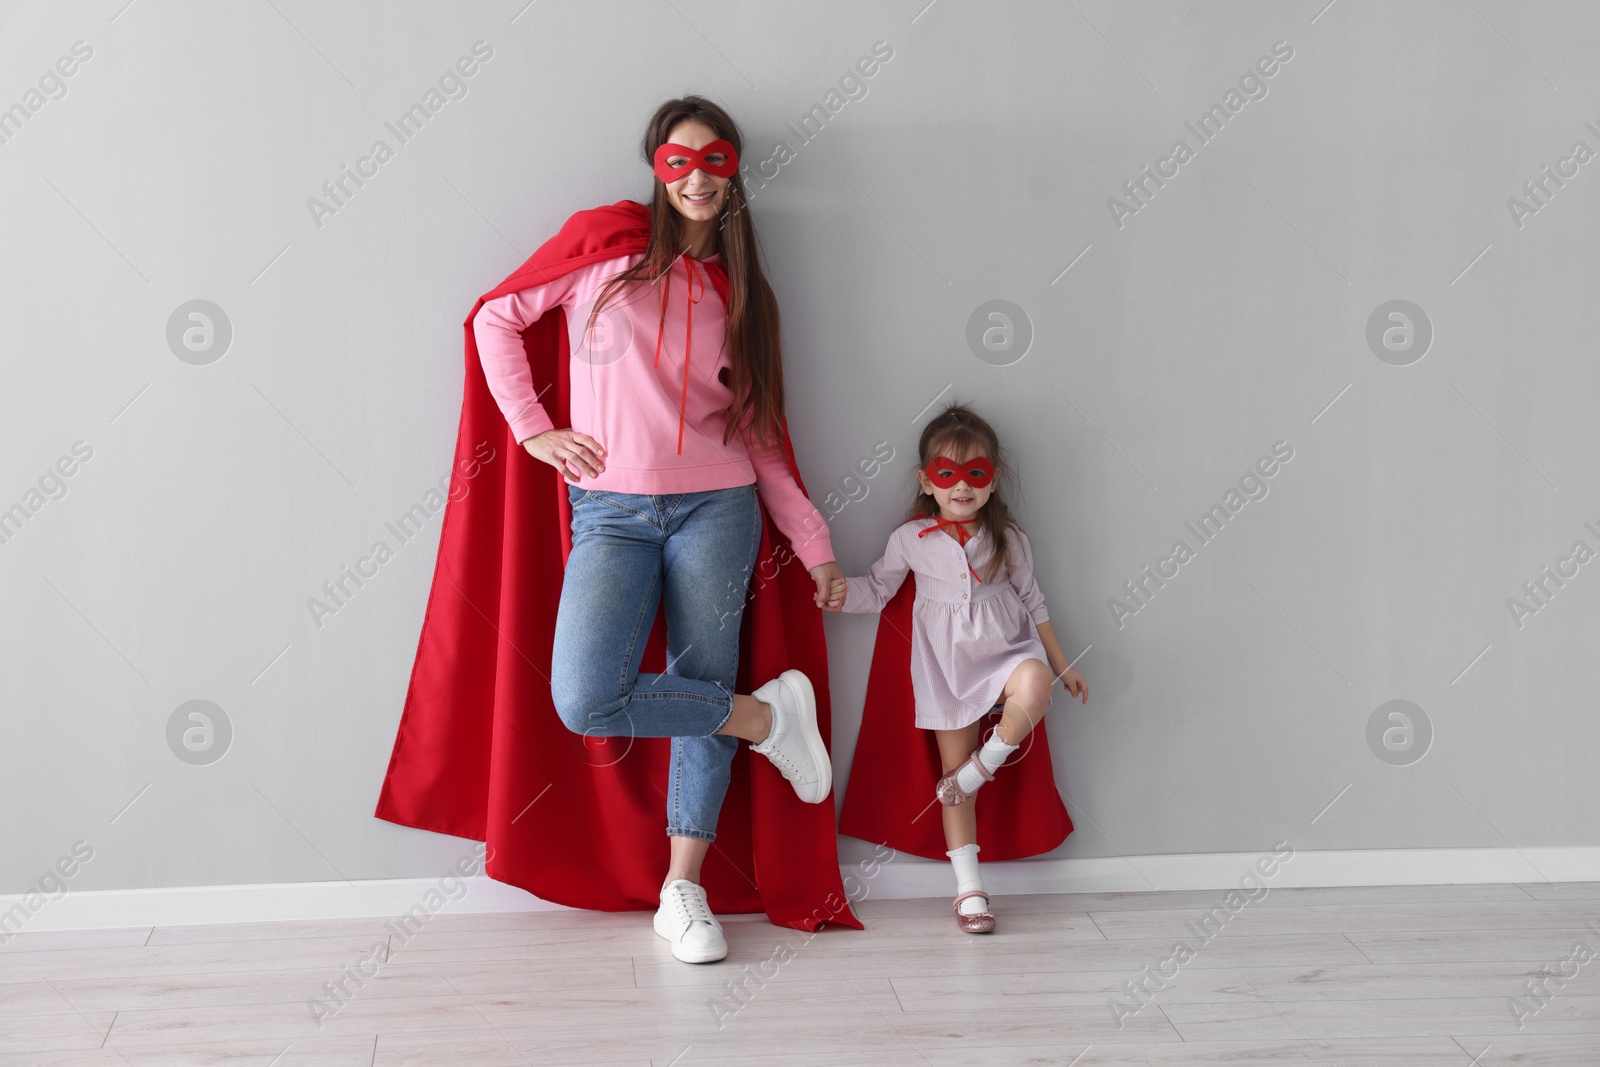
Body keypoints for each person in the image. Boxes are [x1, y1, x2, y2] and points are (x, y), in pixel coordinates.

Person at [468, 97, 846, 963]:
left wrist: (815, 544)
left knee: (696, 678)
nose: (699, 178)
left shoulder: (743, 292)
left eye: (716, 162)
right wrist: (531, 428)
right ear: (655, 169)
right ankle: (763, 717)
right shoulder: (602, 250)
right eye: (680, 162)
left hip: (721, 506)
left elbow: (762, 438)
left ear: (736, 170)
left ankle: (685, 891)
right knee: (585, 697)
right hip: (610, 508)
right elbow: (497, 317)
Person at [825, 403, 1087, 932]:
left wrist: (1062, 664)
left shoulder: (1009, 539)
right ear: (928, 480)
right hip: (945, 668)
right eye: (947, 474)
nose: (961, 487)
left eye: (976, 474)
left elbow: (1034, 602)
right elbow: (878, 590)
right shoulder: (910, 540)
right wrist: (835, 594)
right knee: (953, 776)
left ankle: (979, 769)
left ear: (993, 480)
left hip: (1008, 652)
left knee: (1034, 688)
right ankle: (970, 890)